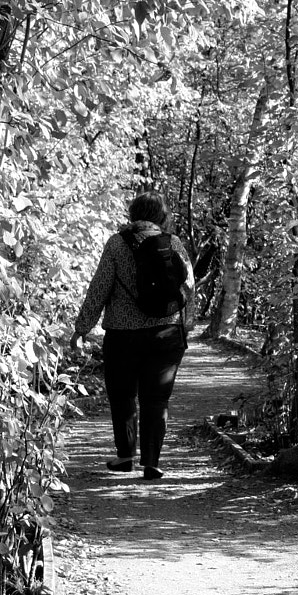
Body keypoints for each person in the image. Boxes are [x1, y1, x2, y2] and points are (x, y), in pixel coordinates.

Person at [71, 191, 195, 481]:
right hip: (166, 333)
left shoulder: (117, 244)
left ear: (132, 214)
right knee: (156, 399)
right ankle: (151, 462)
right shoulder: (172, 243)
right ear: (161, 216)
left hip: (123, 336)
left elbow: (99, 288)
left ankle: (125, 456)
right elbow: (188, 287)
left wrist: (81, 328)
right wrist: (185, 326)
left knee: (123, 395)